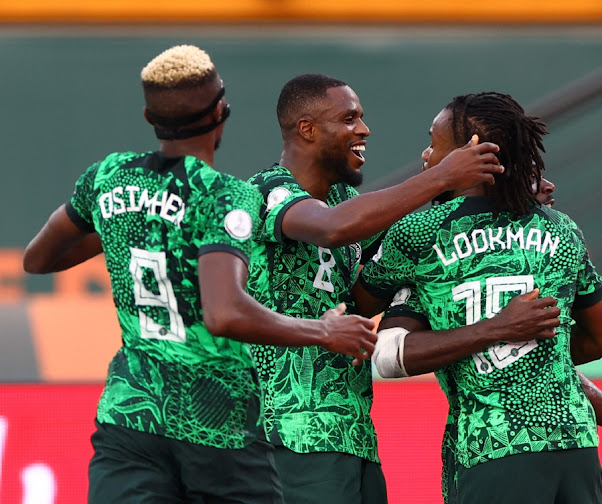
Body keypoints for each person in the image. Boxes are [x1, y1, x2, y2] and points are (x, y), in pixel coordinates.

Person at [23, 46, 381, 504]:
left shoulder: (108, 177)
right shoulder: (225, 196)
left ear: (149, 115)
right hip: (215, 418)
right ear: (221, 112)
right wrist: (324, 330)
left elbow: (38, 259)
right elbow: (225, 314)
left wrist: (129, 228)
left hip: (131, 412)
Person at [245, 74, 560, 504]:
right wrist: (441, 175)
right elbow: (333, 229)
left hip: (351, 435)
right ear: (308, 128)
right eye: (349, 118)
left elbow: (402, 245)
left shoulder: (343, 201)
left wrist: (505, 202)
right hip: (287, 432)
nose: (364, 129)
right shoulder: (266, 191)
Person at [354, 91, 602, 503]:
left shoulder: (420, 232)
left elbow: (365, 315)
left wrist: (492, 333)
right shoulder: (561, 228)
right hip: (576, 443)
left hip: (493, 445)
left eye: (434, 142)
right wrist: (527, 353)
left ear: (469, 153)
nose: (426, 154)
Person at [369, 168, 602, 502]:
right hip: (574, 446)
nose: (548, 185)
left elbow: (387, 353)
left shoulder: (431, 249)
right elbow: (598, 342)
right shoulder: (558, 235)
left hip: (490, 448)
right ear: (488, 174)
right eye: (530, 174)